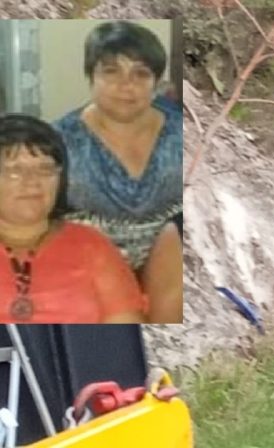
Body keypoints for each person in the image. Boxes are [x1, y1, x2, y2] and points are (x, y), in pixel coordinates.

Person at [52, 21, 182, 323]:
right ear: (91, 76)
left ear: (156, 81)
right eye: (111, 71)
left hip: (166, 254)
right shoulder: (59, 141)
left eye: (140, 73)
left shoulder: (179, 131)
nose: (126, 85)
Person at [0, 114, 145, 323]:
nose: (32, 181)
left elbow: (123, 335)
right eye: (15, 170)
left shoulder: (91, 246)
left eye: (45, 169)